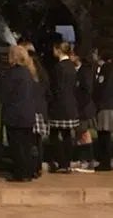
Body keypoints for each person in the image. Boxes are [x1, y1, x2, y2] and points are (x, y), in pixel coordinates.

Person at [1, 45, 41, 182]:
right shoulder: (29, 72)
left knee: (17, 145)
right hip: (28, 113)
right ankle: (28, 171)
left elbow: (6, 94)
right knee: (26, 145)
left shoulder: (12, 73)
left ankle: (20, 173)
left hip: (15, 114)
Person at [18, 38, 50, 176]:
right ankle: (36, 167)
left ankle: (31, 167)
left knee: (29, 141)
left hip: (31, 110)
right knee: (36, 141)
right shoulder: (41, 70)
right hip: (40, 109)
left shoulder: (26, 71)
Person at [48, 41, 80, 173]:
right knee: (67, 135)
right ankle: (66, 162)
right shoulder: (71, 66)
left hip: (59, 105)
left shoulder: (59, 67)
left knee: (54, 135)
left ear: (58, 50)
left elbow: (57, 88)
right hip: (70, 104)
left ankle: (60, 161)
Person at [71, 49, 97, 171]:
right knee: (80, 134)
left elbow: (87, 90)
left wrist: (80, 105)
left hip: (84, 108)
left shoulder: (84, 71)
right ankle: (83, 159)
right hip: (81, 107)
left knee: (84, 134)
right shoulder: (79, 71)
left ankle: (88, 160)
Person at [95, 46, 113, 172]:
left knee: (104, 133)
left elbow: (102, 86)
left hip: (106, 105)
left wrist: (98, 102)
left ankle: (105, 162)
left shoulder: (106, 68)